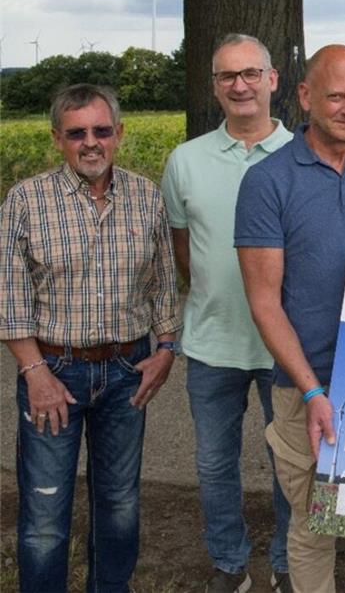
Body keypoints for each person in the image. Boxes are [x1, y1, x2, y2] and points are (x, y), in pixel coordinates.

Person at [235, 45, 345, 593]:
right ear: (307, 97)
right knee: (313, 525)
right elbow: (264, 301)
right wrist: (313, 392)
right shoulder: (268, 181)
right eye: (335, 95)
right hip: (305, 386)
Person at [1, 83, 180, 592]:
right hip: (53, 372)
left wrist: (166, 348)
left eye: (102, 130)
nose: (91, 142)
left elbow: (164, 283)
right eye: (77, 133)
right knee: (44, 510)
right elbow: (10, 300)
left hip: (127, 373)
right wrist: (35, 374)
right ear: (58, 138)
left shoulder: (145, 197)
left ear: (119, 134)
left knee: (120, 503)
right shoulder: (25, 201)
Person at [161, 34, 293, 593]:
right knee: (215, 465)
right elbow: (185, 249)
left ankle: (289, 563)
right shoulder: (185, 161)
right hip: (213, 342)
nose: (239, 85)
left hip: (285, 346)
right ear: (214, 86)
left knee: (291, 465)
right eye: (226, 76)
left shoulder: (304, 156)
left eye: (250, 73)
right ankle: (230, 561)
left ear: (273, 80)